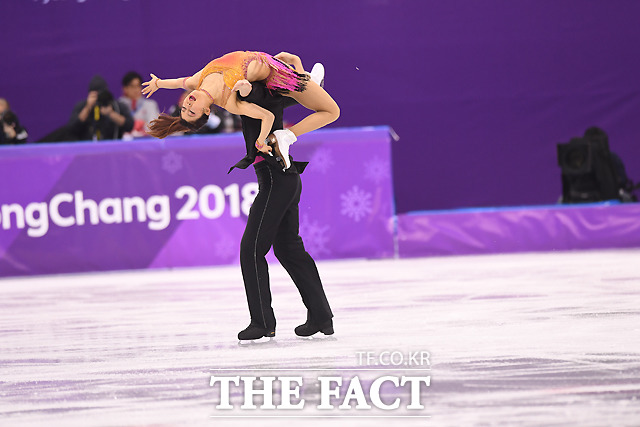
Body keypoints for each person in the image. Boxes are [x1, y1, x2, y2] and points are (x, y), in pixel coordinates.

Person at [231, 68, 334, 341]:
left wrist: (243, 86)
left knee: (251, 250)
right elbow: (283, 95)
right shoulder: (272, 95)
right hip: (284, 177)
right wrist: (308, 83)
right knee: (288, 249)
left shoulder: (257, 91)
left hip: (276, 180)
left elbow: (250, 90)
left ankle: (262, 322)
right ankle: (321, 316)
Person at [143, 51, 339, 170]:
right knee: (332, 112)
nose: (187, 104)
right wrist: (262, 140)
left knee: (310, 82)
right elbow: (267, 116)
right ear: (206, 111)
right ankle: (288, 136)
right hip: (282, 78)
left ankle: (310, 79)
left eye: (185, 107)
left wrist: (158, 83)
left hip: (275, 63)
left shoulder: (196, 81)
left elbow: (177, 82)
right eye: (191, 111)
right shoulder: (228, 101)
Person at [67, 75, 134, 141]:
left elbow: (129, 125)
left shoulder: (116, 106)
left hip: (112, 148)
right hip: (88, 148)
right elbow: (72, 129)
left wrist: (111, 114)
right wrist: (88, 107)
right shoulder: (82, 106)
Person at [119, 71, 160, 138]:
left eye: (138, 86)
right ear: (125, 89)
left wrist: (143, 125)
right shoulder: (119, 105)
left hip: (146, 143)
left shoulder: (150, 105)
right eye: (132, 86)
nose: (136, 90)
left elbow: (155, 127)